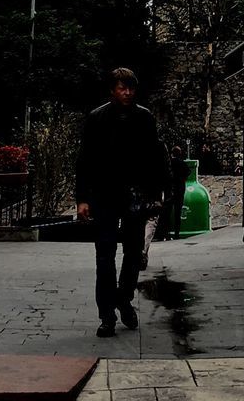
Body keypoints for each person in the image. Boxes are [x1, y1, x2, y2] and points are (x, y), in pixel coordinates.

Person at [75, 67, 170, 339]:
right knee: (104, 256)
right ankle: (106, 315)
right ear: (112, 90)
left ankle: (124, 297)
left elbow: (155, 156)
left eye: (130, 88)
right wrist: (82, 198)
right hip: (104, 194)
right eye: (121, 88)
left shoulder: (144, 118)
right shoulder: (96, 118)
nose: (127, 93)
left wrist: (156, 193)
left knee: (133, 252)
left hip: (135, 195)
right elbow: (85, 160)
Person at [167, 145, 190, 239]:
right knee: (177, 212)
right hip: (180, 189)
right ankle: (177, 233)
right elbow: (188, 172)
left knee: (167, 212)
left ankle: (166, 233)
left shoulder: (169, 163)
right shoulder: (182, 163)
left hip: (170, 189)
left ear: (172, 153)